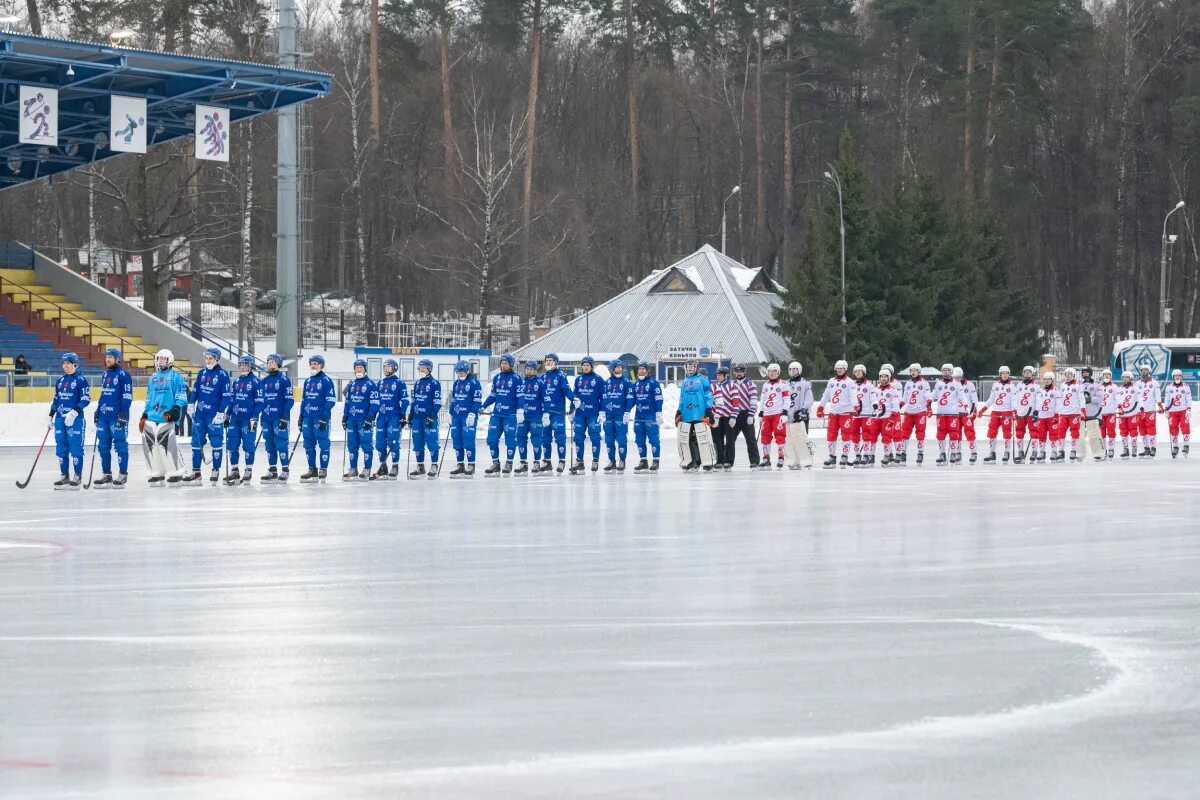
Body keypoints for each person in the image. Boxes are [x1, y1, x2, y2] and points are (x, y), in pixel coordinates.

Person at [140, 349, 188, 485]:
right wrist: (145, 414)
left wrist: (176, 408)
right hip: (152, 416)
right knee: (151, 445)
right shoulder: (153, 377)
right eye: (159, 359)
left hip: (167, 417)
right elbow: (149, 398)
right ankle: (157, 472)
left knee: (167, 443)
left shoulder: (175, 376)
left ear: (170, 361)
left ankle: (175, 472)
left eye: (164, 359)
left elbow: (181, 395)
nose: (160, 361)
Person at [183, 347, 231, 484]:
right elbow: (196, 390)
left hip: (214, 415)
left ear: (216, 359)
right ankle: (196, 473)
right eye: (206, 358)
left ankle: (215, 470)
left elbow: (226, 396)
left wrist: (221, 412)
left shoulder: (223, 375)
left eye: (211, 358)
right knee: (196, 442)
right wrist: (191, 403)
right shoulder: (202, 373)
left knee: (216, 442)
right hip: (200, 414)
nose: (208, 360)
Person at [48, 352, 90, 488]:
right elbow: (56, 400)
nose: (65, 365)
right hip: (60, 419)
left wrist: (74, 412)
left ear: (75, 364)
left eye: (68, 363)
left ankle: (77, 475)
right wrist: (50, 415)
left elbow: (85, 399)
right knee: (61, 448)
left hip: (75, 420)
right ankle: (64, 475)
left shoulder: (81, 380)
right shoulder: (60, 381)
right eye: (64, 363)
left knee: (76, 448)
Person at [92, 347, 132, 487]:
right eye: (107, 357)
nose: (108, 359)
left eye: (111, 357)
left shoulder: (124, 375)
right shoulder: (105, 375)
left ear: (117, 359)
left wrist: (123, 413)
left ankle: (122, 474)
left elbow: (127, 396)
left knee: (120, 444)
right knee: (103, 446)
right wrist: (98, 411)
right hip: (104, 416)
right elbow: (103, 395)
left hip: (117, 416)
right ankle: (106, 474)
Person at [224, 355, 263, 485]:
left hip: (248, 420)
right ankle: (234, 470)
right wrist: (227, 414)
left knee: (248, 446)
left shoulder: (256, 382)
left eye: (245, 365)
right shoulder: (236, 381)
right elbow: (231, 400)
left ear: (251, 366)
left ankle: (248, 470)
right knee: (232, 445)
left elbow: (260, 403)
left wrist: (254, 417)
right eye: (241, 365)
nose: (243, 367)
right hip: (235, 419)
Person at [299, 354, 337, 481]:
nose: (313, 366)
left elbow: (331, 400)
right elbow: (304, 400)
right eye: (311, 363)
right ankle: (312, 469)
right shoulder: (308, 381)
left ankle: (323, 469)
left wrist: (324, 416)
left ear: (321, 365)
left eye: (315, 364)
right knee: (308, 443)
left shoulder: (326, 381)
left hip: (320, 417)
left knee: (323, 442)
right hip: (307, 417)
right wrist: (301, 416)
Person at [481, 353, 520, 475]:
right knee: (491, 440)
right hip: (497, 415)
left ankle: (509, 463)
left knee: (510, 441)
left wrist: (520, 410)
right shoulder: (497, 378)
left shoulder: (516, 379)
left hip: (510, 415)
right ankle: (496, 463)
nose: (503, 365)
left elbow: (520, 397)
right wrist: (484, 405)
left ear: (511, 364)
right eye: (502, 363)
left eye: (506, 363)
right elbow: (493, 395)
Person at [340, 359, 379, 480]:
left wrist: (370, 417)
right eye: (357, 368)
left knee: (366, 445)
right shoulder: (351, 385)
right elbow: (347, 402)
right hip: (352, 420)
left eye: (361, 368)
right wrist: (345, 416)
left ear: (365, 369)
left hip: (364, 420)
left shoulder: (371, 384)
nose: (359, 370)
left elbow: (375, 403)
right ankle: (353, 469)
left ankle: (367, 469)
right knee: (352, 445)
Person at [259, 353, 294, 482]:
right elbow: (261, 401)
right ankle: (273, 471)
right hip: (267, 418)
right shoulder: (264, 381)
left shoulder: (284, 380)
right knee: (269, 444)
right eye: (268, 362)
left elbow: (289, 400)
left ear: (278, 363)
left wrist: (285, 416)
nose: (270, 364)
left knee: (281, 444)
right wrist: (260, 416)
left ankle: (285, 470)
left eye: (272, 362)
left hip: (279, 418)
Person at [676, 358, 715, 471]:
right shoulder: (684, 382)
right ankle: (690, 462)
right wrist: (679, 411)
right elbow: (682, 398)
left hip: (700, 414)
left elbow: (708, 395)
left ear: (696, 367)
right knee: (686, 440)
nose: (690, 368)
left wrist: (708, 409)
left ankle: (708, 463)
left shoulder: (703, 380)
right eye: (688, 367)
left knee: (703, 438)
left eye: (692, 366)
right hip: (687, 415)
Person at [373, 358, 410, 479]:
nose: (386, 369)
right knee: (379, 443)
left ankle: (395, 465)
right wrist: (372, 414)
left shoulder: (399, 382)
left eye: (388, 366)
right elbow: (375, 400)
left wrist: (402, 414)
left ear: (394, 368)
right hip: (381, 417)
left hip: (394, 416)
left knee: (393, 442)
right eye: (384, 367)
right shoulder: (380, 383)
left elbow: (405, 399)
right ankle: (383, 466)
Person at [816, 359, 856, 468]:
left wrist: (855, 407)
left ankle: (844, 456)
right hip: (833, 413)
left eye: (841, 368)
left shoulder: (849, 382)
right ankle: (832, 457)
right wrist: (821, 406)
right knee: (831, 435)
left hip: (846, 413)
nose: (839, 370)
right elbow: (826, 395)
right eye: (837, 368)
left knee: (846, 435)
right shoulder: (831, 381)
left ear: (845, 369)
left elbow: (853, 396)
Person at [540, 353, 575, 473]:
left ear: (556, 362)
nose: (548, 362)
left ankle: (562, 461)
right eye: (546, 360)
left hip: (557, 412)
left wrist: (573, 399)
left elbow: (567, 391)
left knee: (560, 437)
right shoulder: (543, 377)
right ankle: (547, 462)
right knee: (545, 438)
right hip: (546, 413)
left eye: (550, 360)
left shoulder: (560, 376)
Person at [570, 356, 605, 474]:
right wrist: (571, 411)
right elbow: (574, 397)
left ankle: (595, 460)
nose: (585, 367)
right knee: (578, 437)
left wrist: (602, 411)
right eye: (583, 365)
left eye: (587, 365)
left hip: (593, 413)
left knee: (595, 436)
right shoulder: (578, 379)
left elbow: (603, 397)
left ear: (592, 366)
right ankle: (580, 462)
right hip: (580, 413)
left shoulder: (598, 379)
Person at [408, 358, 442, 477]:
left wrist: (432, 416)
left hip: (428, 418)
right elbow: (414, 401)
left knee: (432, 442)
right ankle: (420, 466)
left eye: (423, 367)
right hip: (417, 418)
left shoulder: (434, 383)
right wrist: (411, 415)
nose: (421, 369)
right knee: (417, 443)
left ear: (429, 369)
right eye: (420, 367)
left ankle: (434, 465)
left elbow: (437, 402)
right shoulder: (417, 383)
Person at [448, 360, 482, 477]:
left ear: (467, 371)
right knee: (457, 440)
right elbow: (453, 399)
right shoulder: (456, 383)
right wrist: (450, 413)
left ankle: (471, 464)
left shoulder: (474, 383)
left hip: (468, 416)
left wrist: (472, 414)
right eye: (458, 372)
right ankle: (460, 465)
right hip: (457, 417)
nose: (460, 374)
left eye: (462, 372)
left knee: (468, 440)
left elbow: (477, 401)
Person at [600, 359, 635, 473]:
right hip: (609, 415)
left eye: (620, 367)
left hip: (620, 415)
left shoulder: (626, 382)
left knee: (621, 439)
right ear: (612, 369)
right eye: (617, 367)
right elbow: (603, 399)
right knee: (609, 439)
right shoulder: (606, 383)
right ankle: (611, 461)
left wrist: (627, 412)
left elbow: (630, 398)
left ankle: (622, 460)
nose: (619, 369)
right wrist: (602, 412)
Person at [978, 366, 1016, 464]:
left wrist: (1014, 412)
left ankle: (1006, 452)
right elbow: (991, 399)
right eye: (1003, 373)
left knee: (1007, 433)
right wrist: (983, 409)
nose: (1005, 375)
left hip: (1007, 411)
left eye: (1007, 373)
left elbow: (1014, 400)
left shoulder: (1011, 386)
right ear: (1000, 374)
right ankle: (992, 454)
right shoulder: (995, 385)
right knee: (992, 432)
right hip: (996, 411)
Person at [756, 363, 788, 469]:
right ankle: (766, 458)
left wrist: (785, 412)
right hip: (766, 414)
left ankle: (781, 457)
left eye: (774, 371)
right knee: (765, 436)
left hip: (777, 414)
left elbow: (787, 399)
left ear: (778, 372)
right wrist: (761, 412)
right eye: (769, 371)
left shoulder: (783, 384)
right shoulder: (765, 385)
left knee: (780, 435)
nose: (771, 373)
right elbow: (763, 400)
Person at [632, 361, 663, 472]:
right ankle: (643, 461)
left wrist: (659, 412)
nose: (641, 370)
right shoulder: (635, 384)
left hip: (651, 415)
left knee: (653, 438)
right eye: (639, 368)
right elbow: (632, 400)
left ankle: (656, 460)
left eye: (643, 369)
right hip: (639, 416)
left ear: (647, 370)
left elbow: (659, 398)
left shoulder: (653, 383)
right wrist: (625, 411)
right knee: (639, 439)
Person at [727, 364, 760, 467]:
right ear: (734, 372)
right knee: (730, 440)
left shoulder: (751, 384)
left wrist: (751, 414)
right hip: (734, 415)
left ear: (744, 372)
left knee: (751, 439)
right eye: (737, 371)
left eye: (741, 371)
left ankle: (754, 461)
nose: (739, 373)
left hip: (746, 414)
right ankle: (728, 461)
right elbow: (728, 400)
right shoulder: (731, 384)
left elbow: (753, 400)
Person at [515, 359, 544, 474]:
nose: (529, 371)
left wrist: (545, 413)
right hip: (523, 416)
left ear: (535, 370)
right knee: (521, 438)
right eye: (527, 369)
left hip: (536, 415)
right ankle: (523, 463)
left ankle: (536, 462)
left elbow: (545, 399)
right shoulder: (521, 382)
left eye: (531, 369)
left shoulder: (540, 383)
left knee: (536, 439)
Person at [898, 363, 930, 465]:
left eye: (915, 370)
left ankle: (920, 453)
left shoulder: (924, 383)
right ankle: (903, 453)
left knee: (920, 433)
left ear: (919, 371)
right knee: (904, 433)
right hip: (909, 411)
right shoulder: (908, 383)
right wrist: (898, 408)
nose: (913, 372)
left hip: (920, 411)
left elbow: (928, 396)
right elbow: (905, 398)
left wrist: (929, 407)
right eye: (911, 371)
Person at [784, 362, 814, 469]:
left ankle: (805, 461)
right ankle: (793, 460)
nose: (792, 371)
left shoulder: (805, 383)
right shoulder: (785, 384)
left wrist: (803, 410)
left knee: (800, 438)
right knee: (789, 440)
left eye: (795, 369)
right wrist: (783, 412)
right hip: (788, 416)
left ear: (799, 370)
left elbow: (809, 398)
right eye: (791, 369)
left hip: (800, 416)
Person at [931, 363, 962, 466]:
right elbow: (932, 396)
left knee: (954, 433)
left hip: (953, 413)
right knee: (940, 434)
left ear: (951, 372)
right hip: (941, 413)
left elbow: (963, 397)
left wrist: (967, 409)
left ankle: (953, 453)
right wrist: (927, 406)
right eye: (944, 370)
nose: (946, 372)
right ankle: (942, 454)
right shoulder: (938, 384)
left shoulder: (957, 384)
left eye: (948, 370)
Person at [849, 364, 879, 467]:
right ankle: (857, 455)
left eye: (860, 371)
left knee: (866, 434)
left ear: (864, 373)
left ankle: (866, 455)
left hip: (867, 414)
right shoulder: (852, 385)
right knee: (854, 435)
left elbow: (874, 397)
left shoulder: (869, 386)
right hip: (856, 414)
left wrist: (875, 405)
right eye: (856, 371)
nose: (858, 373)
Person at [1032, 371, 1061, 464]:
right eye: (1045, 379)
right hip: (1042, 416)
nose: (1047, 381)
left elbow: (1058, 404)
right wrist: (1035, 414)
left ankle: (1054, 452)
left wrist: (1056, 415)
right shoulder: (1040, 391)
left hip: (1051, 415)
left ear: (1052, 380)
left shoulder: (1056, 391)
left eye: (1049, 379)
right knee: (1041, 434)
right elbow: (1038, 403)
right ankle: (1042, 452)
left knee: (1053, 434)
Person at [876, 366, 902, 467]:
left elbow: (899, 400)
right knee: (886, 435)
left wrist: (894, 413)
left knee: (896, 434)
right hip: (884, 414)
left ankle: (899, 454)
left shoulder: (896, 385)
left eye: (886, 375)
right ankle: (889, 454)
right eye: (881, 376)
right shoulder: (877, 388)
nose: (883, 378)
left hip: (894, 414)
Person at [1056, 367, 1083, 462]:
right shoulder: (1062, 385)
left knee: (1075, 432)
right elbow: (1059, 399)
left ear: (1073, 375)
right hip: (1063, 413)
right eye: (1066, 374)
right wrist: (1057, 411)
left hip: (1074, 413)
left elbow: (1081, 398)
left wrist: (1083, 410)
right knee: (1060, 432)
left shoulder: (1078, 385)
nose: (1067, 376)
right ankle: (1061, 451)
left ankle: (1073, 450)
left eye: (1070, 374)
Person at [1012, 366, 1038, 463]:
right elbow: (1015, 399)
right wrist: (1015, 410)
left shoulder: (1036, 386)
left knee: (1034, 432)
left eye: (1029, 372)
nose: (1027, 374)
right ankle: (1020, 452)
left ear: (1032, 374)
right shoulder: (1018, 385)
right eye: (1026, 372)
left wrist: (1036, 412)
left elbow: (1038, 400)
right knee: (1019, 432)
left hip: (1031, 414)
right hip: (1020, 413)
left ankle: (1034, 451)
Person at [1134, 364, 1162, 457]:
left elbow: (1158, 395)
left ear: (1149, 371)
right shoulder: (1137, 383)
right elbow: (1136, 397)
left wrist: (1160, 404)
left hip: (1150, 410)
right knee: (1142, 429)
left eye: (1146, 370)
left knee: (1150, 428)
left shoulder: (1154, 382)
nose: (1144, 372)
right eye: (1142, 370)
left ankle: (1153, 448)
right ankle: (1146, 448)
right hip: (1140, 410)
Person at [1163, 368, 1191, 458]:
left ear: (1181, 376)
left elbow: (1189, 399)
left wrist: (1189, 409)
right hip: (1172, 411)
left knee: (1185, 427)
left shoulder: (1186, 386)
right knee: (1173, 429)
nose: (1177, 377)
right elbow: (1167, 399)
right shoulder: (1169, 387)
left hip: (1183, 410)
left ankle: (1186, 445)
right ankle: (1175, 447)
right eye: (1175, 376)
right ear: (1173, 377)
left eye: (1179, 375)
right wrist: (1166, 409)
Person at [711, 366, 734, 470]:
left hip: (728, 416)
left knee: (730, 440)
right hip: (718, 416)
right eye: (717, 375)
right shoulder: (715, 386)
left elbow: (736, 402)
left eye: (720, 375)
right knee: (718, 439)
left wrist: (734, 416)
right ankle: (720, 460)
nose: (718, 377)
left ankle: (729, 461)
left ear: (725, 376)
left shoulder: (731, 386)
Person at [955, 368, 979, 464]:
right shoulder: (952, 385)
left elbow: (974, 399)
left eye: (958, 377)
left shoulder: (969, 385)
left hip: (966, 413)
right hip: (955, 413)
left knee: (969, 433)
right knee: (956, 433)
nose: (956, 379)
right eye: (955, 377)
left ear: (962, 376)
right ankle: (958, 453)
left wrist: (973, 411)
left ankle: (973, 452)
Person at [1081, 366, 1105, 461]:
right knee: (1080, 435)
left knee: (1094, 434)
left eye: (1087, 372)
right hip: (1082, 413)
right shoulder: (1079, 385)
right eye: (1084, 372)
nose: (1085, 374)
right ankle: (1080, 454)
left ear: (1090, 373)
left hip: (1093, 413)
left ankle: (1098, 453)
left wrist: (1089, 399)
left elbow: (1100, 399)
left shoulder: (1097, 385)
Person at [1115, 370, 1140, 458]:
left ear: (1130, 378)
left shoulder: (1135, 388)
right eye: (1124, 377)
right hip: (1122, 414)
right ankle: (1125, 449)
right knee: (1123, 432)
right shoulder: (1119, 389)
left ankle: (1134, 448)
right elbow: (1117, 400)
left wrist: (1140, 410)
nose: (1125, 379)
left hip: (1132, 413)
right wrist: (1119, 407)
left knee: (1133, 431)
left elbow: (1139, 400)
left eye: (1127, 377)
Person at [1099, 368, 1118, 459]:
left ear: (1110, 376)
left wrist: (1114, 408)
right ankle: (1103, 449)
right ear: (1103, 376)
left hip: (1110, 413)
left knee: (1111, 431)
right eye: (1105, 375)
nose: (1106, 376)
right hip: (1101, 414)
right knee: (1101, 432)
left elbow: (1117, 399)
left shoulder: (1114, 387)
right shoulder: (1099, 387)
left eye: (1108, 375)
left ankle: (1111, 449)